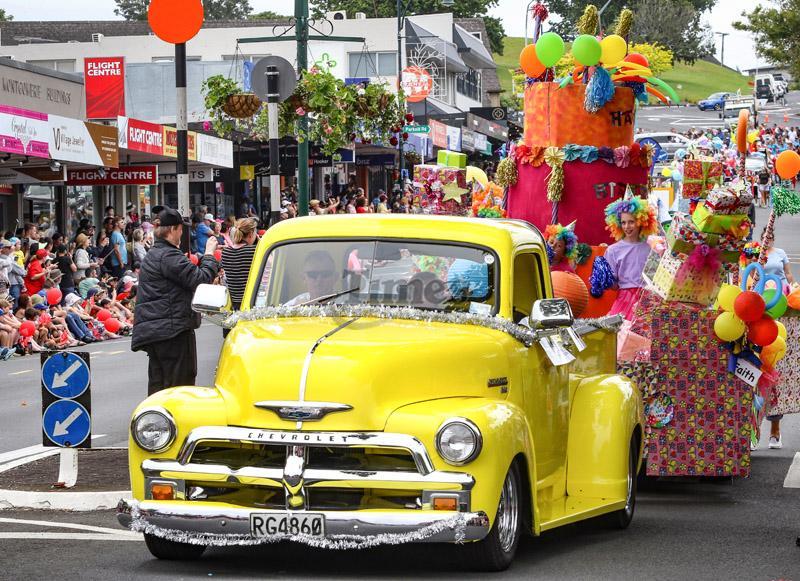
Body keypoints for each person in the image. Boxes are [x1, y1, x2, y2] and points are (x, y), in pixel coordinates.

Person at [132, 207, 219, 395]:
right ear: (173, 229)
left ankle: (156, 423)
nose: (183, 233)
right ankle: (174, 423)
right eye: (181, 229)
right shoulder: (168, 255)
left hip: (159, 329)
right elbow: (200, 279)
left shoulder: (156, 253)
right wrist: (210, 254)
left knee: (160, 385)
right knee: (180, 386)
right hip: (172, 330)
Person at [601, 197, 659, 320]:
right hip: (624, 300)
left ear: (641, 221)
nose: (627, 226)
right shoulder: (613, 251)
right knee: (622, 334)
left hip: (647, 300)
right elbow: (613, 285)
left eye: (631, 222)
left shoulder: (650, 248)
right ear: (617, 223)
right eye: (623, 222)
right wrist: (606, 280)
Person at [220, 218, 258, 337]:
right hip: (250, 305)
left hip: (232, 307)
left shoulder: (226, 252)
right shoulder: (254, 251)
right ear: (251, 233)